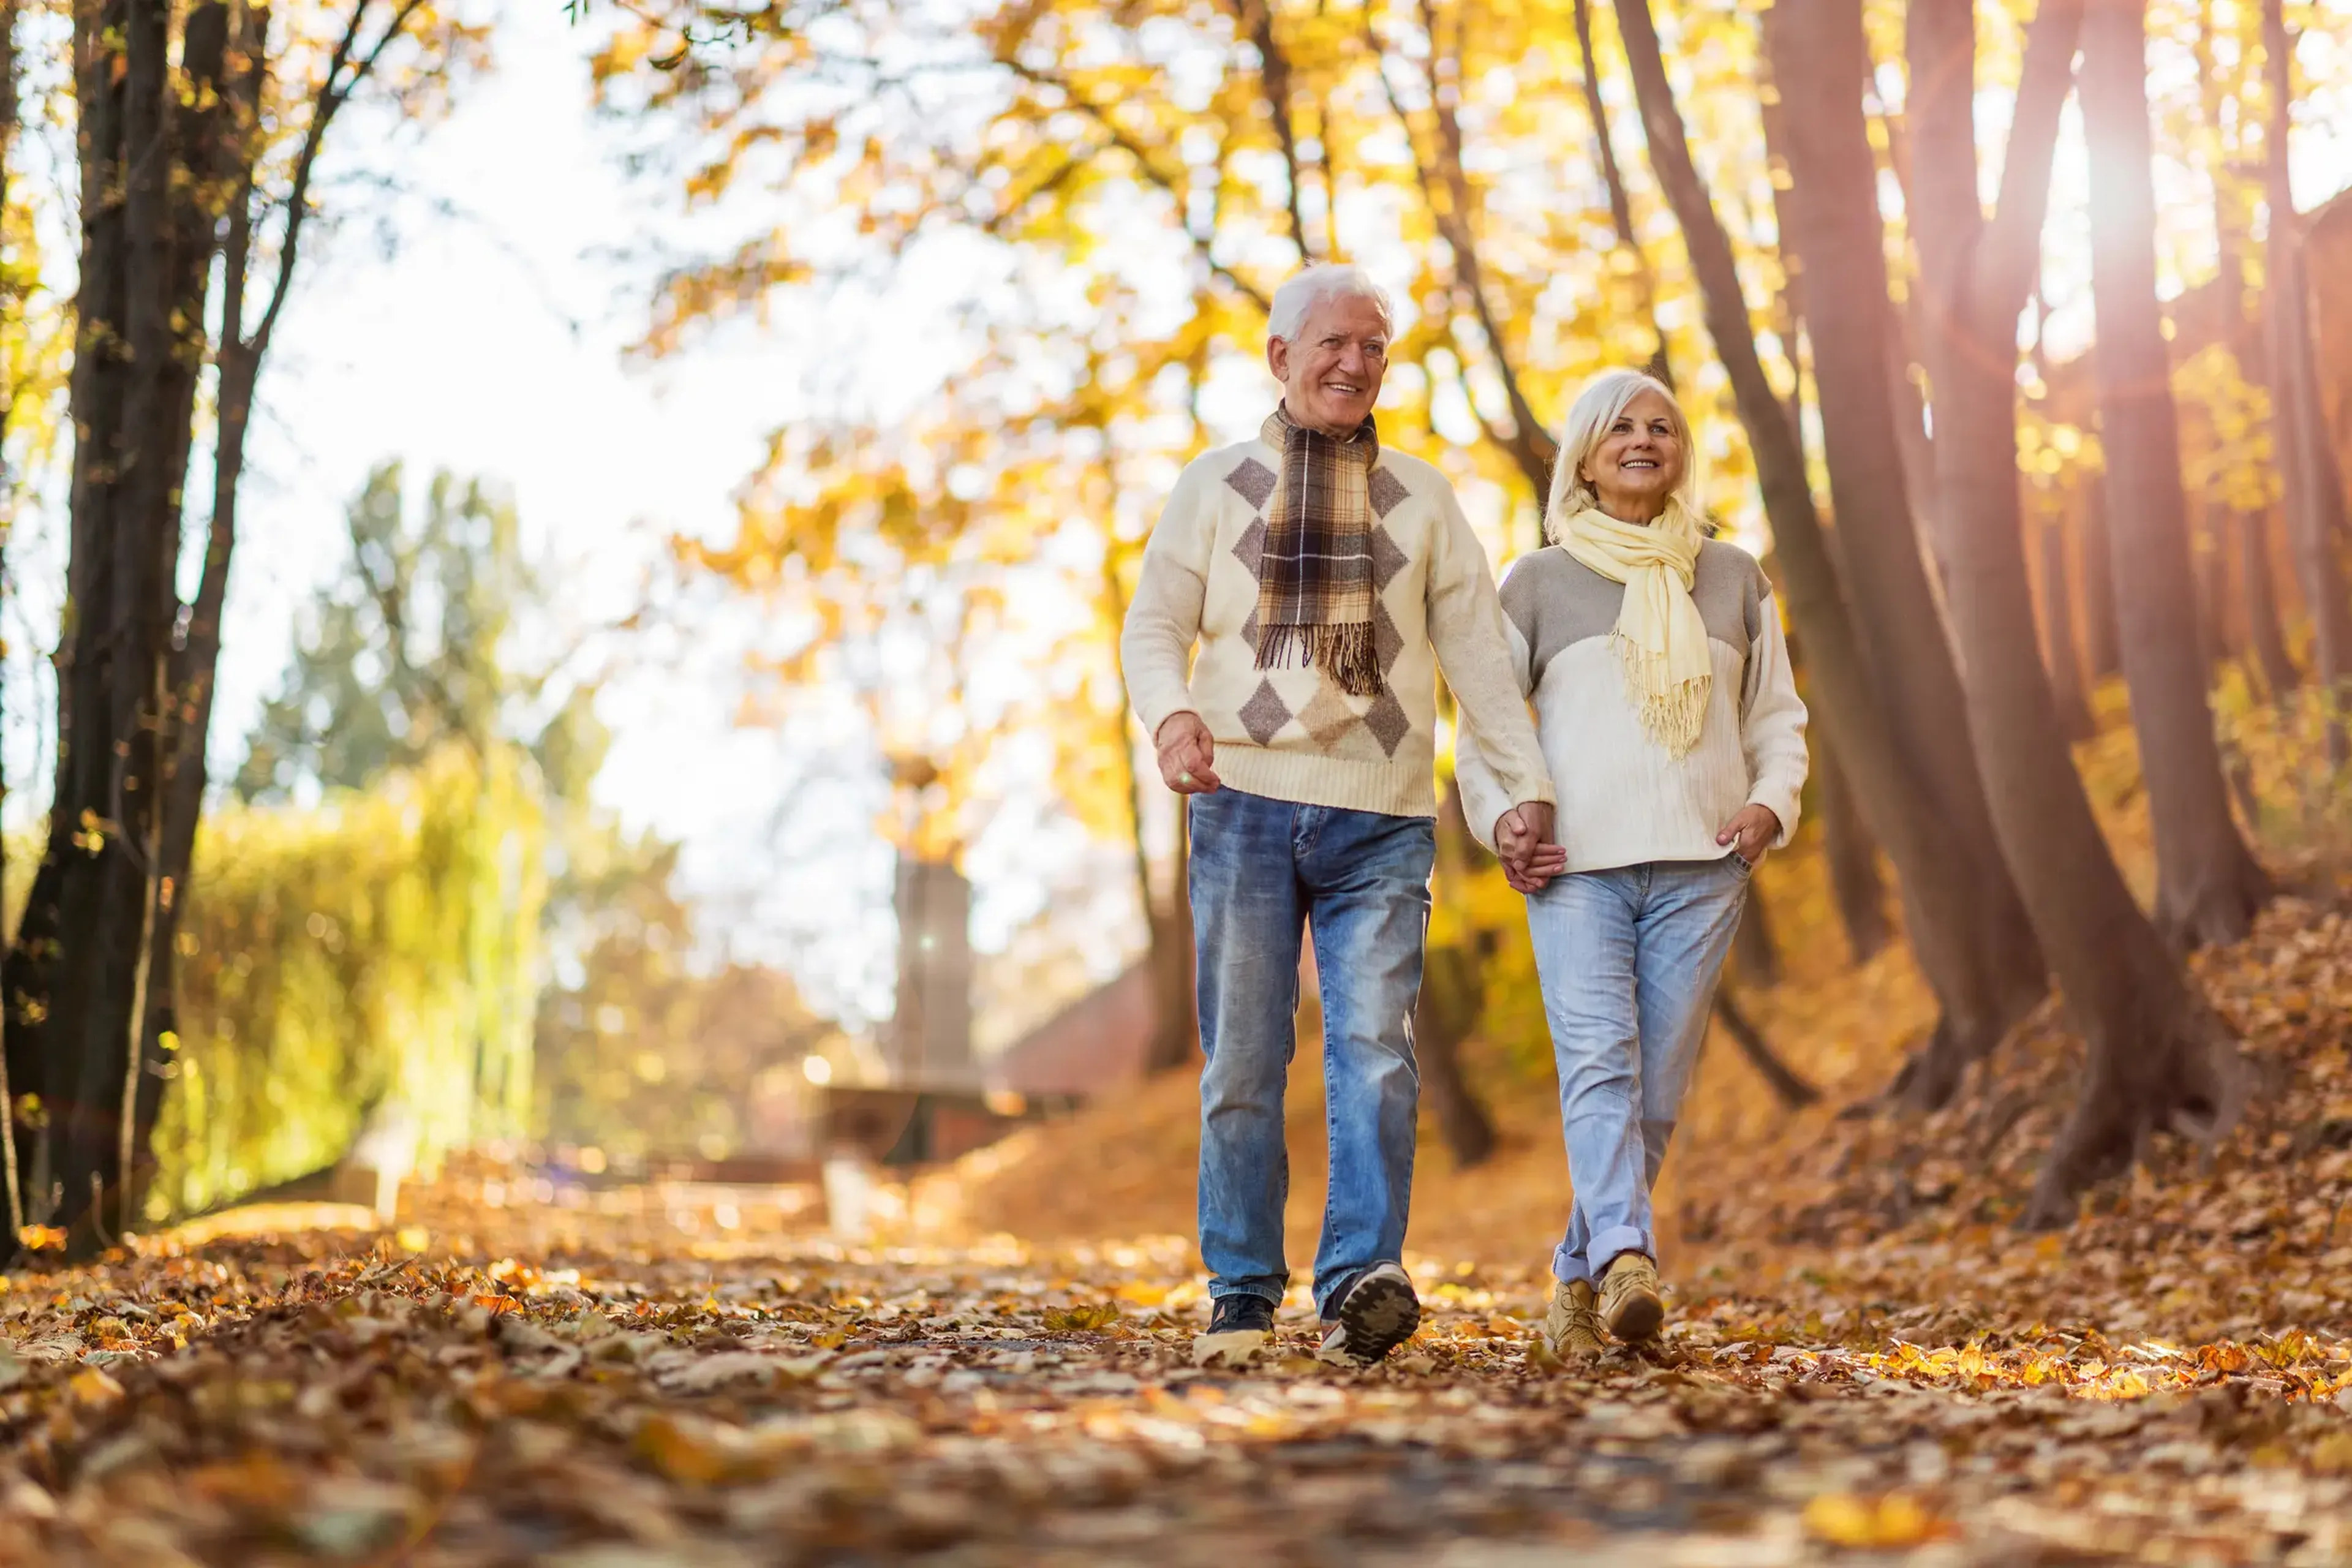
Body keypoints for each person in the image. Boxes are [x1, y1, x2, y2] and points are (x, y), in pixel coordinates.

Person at [1120, 263, 1558, 1365]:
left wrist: (1522, 789)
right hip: (1243, 804)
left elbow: (1479, 664)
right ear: (1279, 357)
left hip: (1382, 815)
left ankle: (1362, 1274)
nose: (1356, 363)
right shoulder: (1216, 487)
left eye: (1374, 346)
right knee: (1242, 1063)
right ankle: (1241, 1289)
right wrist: (1174, 721)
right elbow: (1152, 626)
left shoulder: (1423, 496)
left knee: (1373, 1050)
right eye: (1334, 343)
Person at [1456, 368, 1807, 1359]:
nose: (1644, 440)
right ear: (1585, 452)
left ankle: (1579, 1278)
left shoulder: (1732, 574)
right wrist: (1500, 821)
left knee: (1654, 1092)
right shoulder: (1536, 581)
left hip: (1704, 864)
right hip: (1577, 868)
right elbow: (1487, 725)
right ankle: (1626, 1256)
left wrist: (1769, 806)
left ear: (1681, 452)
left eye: (1662, 426)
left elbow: (1776, 715)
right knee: (1599, 1068)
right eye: (1621, 427)